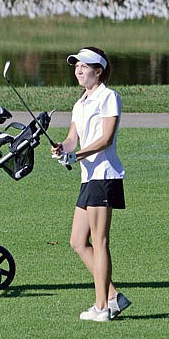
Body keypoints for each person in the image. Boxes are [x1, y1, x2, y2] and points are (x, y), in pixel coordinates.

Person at [51, 47, 131, 322]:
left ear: (99, 70)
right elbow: (74, 138)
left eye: (85, 66)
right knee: (77, 241)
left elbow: (106, 139)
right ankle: (112, 296)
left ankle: (102, 308)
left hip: (105, 176)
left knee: (99, 242)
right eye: (76, 66)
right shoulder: (81, 103)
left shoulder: (109, 97)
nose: (79, 70)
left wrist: (77, 154)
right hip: (89, 177)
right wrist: (64, 148)